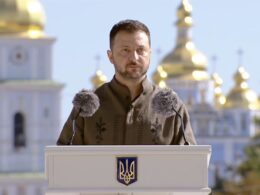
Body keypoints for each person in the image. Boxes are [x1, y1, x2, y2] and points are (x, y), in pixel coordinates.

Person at [57, 19, 196, 145]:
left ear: (150, 54)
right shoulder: (86, 108)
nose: (134, 58)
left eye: (141, 50)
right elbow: (62, 160)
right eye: (125, 50)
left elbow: (191, 163)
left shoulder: (172, 109)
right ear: (110, 56)